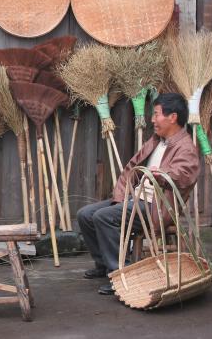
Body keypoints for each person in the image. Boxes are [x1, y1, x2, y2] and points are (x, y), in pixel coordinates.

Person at [77, 93, 199, 295]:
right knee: (86, 214)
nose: (152, 119)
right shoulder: (157, 140)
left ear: (173, 117)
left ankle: (120, 274)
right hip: (136, 199)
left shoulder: (186, 147)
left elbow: (184, 176)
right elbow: (131, 168)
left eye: (156, 114)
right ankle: (103, 264)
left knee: (103, 217)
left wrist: (159, 174)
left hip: (157, 207)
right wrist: (120, 197)